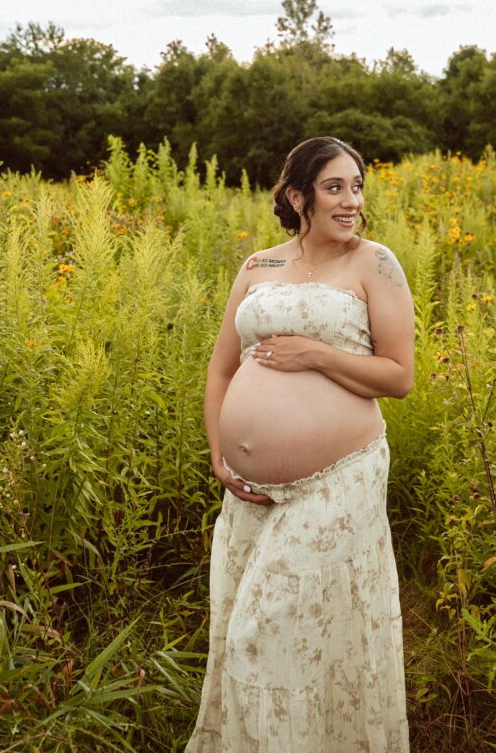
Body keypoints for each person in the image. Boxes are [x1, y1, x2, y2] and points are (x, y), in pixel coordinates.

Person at [185, 136, 414, 752]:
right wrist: (220, 455)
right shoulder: (258, 266)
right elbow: (220, 371)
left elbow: (399, 376)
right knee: (270, 629)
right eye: (334, 187)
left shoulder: (375, 263)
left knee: (261, 630)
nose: (352, 201)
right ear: (296, 196)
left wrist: (313, 352)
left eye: (357, 187)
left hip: (339, 478)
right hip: (251, 489)